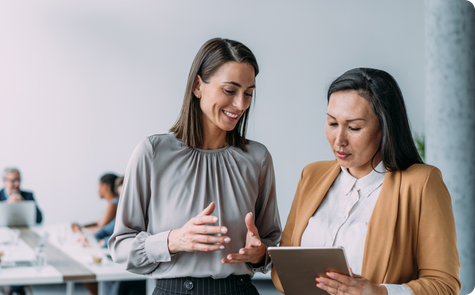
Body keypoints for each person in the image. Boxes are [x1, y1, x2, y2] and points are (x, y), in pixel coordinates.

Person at [108, 38, 281, 294]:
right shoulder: (153, 153)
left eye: (248, 93)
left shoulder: (258, 158)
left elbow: (272, 243)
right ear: (198, 86)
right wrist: (172, 240)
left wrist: (260, 254)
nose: (241, 105)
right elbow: (121, 248)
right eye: (230, 90)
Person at [271, 68, 461, 294]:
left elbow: (444, 285)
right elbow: (284, 267)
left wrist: (379, 292)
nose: (339, 140)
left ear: (384, 127)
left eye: (354, 128)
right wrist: (260, 255)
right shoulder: (312, 175)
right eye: (332, 123)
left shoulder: (421, 183)